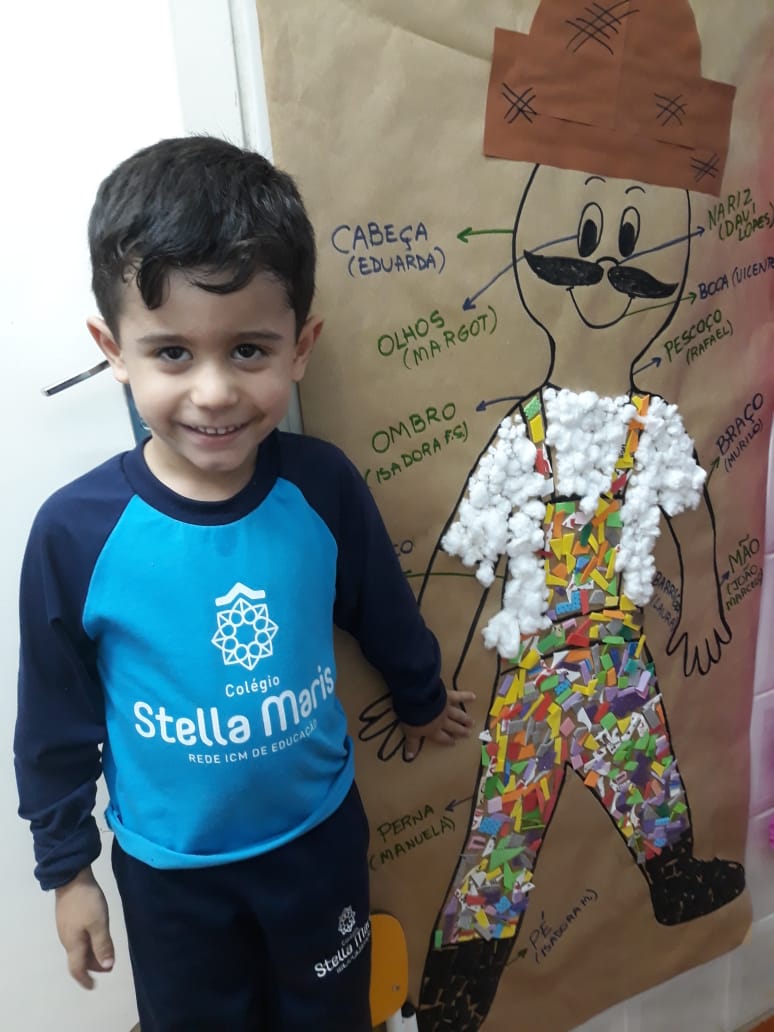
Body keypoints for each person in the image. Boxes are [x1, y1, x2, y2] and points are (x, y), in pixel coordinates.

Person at [14, 135, 474, 1032]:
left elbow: (380, 604)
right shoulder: (75, 533)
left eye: (249, 350)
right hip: (171, 878)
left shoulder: (323, 487)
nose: (215, 391)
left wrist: (420, 696)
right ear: (113, 349)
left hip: (318, 847)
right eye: (172, 353)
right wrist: (67, 869)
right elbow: (54, 718)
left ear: (301, 347)